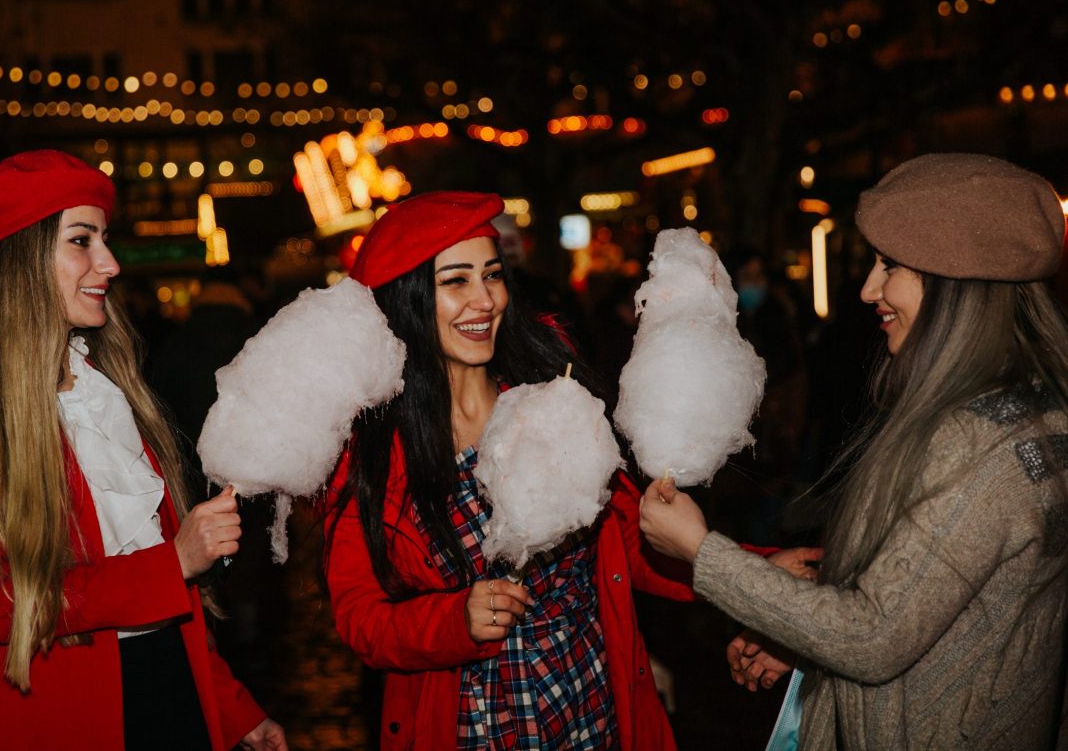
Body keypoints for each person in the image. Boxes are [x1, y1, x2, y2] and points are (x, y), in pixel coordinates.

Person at [322, 191, 807, 751]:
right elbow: (360, 619)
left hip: (590, 703)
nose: (484, 300)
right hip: (477, 727)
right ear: (408, 299)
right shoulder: (373, 452)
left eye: (493, 275)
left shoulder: (553, 400)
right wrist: (454, 620)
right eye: (455, 281)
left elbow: (632, 546)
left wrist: (759, 572)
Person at [639, 154, 1068, 750]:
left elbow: (870, 638)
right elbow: (925, 613)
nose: (869, 288)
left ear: (956, 282)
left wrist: (700, 551)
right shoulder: (1019, 409)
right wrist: (802, 640)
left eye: (889, 265)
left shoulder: (982, 444)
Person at [0, 150, 286, 751]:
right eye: (82, 240)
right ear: (21, 261)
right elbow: (0, 601)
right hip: (60, 714)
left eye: (105, 239)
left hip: (173, 692)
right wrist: (174, 561)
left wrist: (235, 711)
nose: (109, 262)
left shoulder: (111, 389)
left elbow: (165, 609)